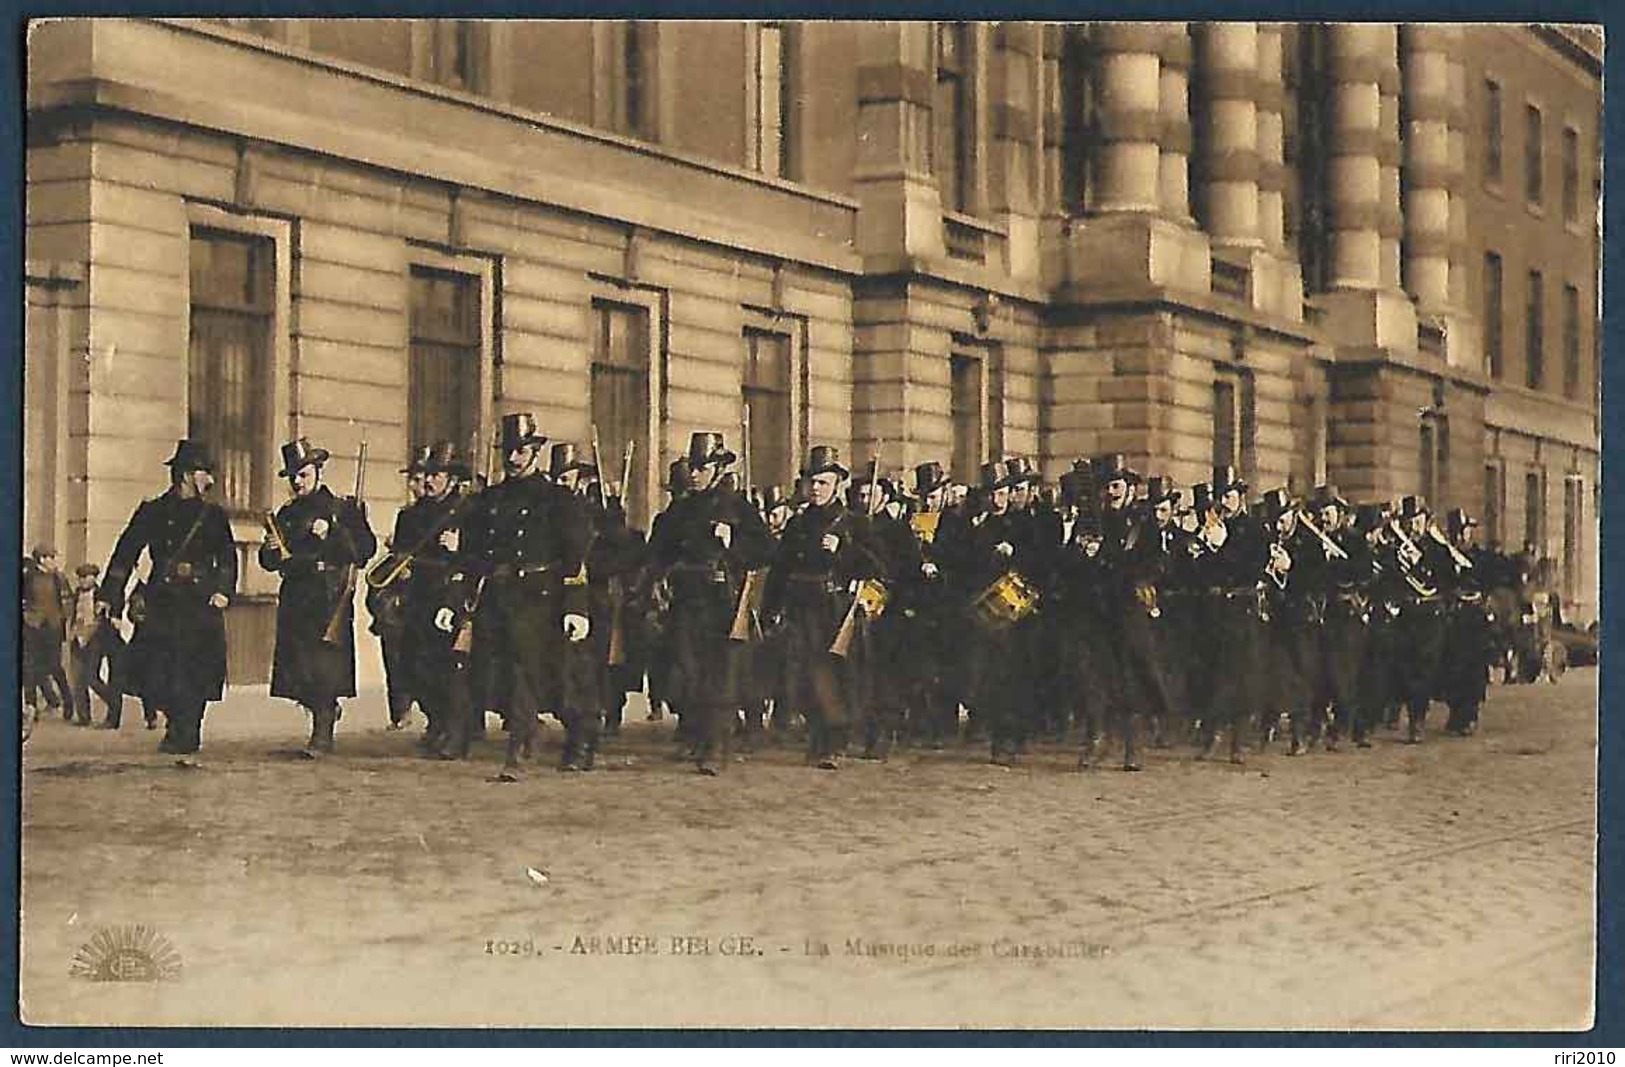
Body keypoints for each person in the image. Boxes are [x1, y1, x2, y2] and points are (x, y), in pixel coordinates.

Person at [459, 414, 594, 779]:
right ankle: (530, 730)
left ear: (536, 451)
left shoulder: (558, 500)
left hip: (542, 600)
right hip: (499, 599)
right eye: (509, 452)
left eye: (521, 451)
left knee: (547, 676)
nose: (514, 459)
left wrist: (576, 607)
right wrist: (460, 598)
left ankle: (557, 739)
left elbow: (575, 558)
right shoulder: (490, 500)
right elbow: (473, 553)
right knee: (502, 675)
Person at [98, 440, 237, 764]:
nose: (210, 480)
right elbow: (126, 552)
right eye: (205, 472)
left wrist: (224, 590)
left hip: (201, 603)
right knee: (157, 668)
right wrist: (110, 595)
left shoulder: (213, 515)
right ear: (187, 475)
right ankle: (178, 724)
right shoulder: (153, 511)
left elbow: (227, 557)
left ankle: (188, 730)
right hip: (164, 602)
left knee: (197, 669)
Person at [644, 432, 773, 774]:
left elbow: (766, 551)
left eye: (703, 468)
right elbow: (656, 552)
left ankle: (716, 745)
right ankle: (699, 735)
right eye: (694, 468)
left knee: (720, 673)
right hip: (686, 600)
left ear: (718, 468)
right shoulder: (680, 510)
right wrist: (655, 581)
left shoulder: (737, 508)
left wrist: (734, 543)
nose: (696, 474)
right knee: (688, 670)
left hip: (721, 600)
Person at [763, 445, 885, 769]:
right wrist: (771, 608)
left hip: (833, 608)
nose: (816, 489)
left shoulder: (855, 524)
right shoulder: (797, 525)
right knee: (802, 675)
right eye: (812, 482)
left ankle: (835, 740)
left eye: (823, 483)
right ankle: (818, 733)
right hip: (801, 607)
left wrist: (844, 549)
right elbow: (780, 569)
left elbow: (877, 566)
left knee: (834, 675)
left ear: (838, 484)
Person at [258, 437, 379, 758]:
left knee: (324, 668)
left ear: (318, 471)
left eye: (304, 474)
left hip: (328, 596)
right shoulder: (286, 514)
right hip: (296, 595)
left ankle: (322, 731)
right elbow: (271, 561)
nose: (298, 481)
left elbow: (364, 551)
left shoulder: (340, 508)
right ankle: (323, 713)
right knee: (299, 670)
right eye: (294, 475)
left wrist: (334, 532)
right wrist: (269, 552)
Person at [370, 444, 432, 731]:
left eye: (421, 479)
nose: (416, 485)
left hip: (426, 593)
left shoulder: (443, 513)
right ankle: (400, 712)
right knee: (394, 650)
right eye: (414, 479)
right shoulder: (406, 515)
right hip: (401, 595)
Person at [67, 562, 125, 728]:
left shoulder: (102, 594)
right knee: (78, 679)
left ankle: (113, 702)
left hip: (96, 641)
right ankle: (84, 716)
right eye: (81, 577)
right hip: (77, 639)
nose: (84, 580)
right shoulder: (77, 593)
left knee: (91, 677)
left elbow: (106, 618)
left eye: (88, 577)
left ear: (95, 578)